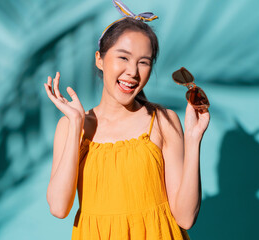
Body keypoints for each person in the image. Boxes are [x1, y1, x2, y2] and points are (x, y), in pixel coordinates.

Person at [44, 0, 210, 239]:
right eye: (123, 57)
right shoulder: (71, 126)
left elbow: (185, 218)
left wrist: (193, 139)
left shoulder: (163, 120)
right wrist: (76, 123)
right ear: (99, 60)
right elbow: (59, 208)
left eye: (144, 62)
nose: (133, 71)